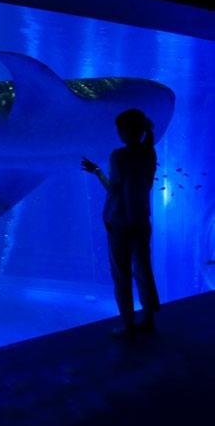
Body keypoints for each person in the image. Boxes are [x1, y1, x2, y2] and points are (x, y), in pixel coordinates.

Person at [81, 108, 160, 339]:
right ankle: (148, 320)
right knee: (144, 271)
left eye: (120, 129)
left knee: (121, 275)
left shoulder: (119, 156)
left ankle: (128, 325)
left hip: (120, 223)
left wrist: (97, 172)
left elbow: (114, 190)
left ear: (125, 130)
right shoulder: (149, 152)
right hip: (142, 221)